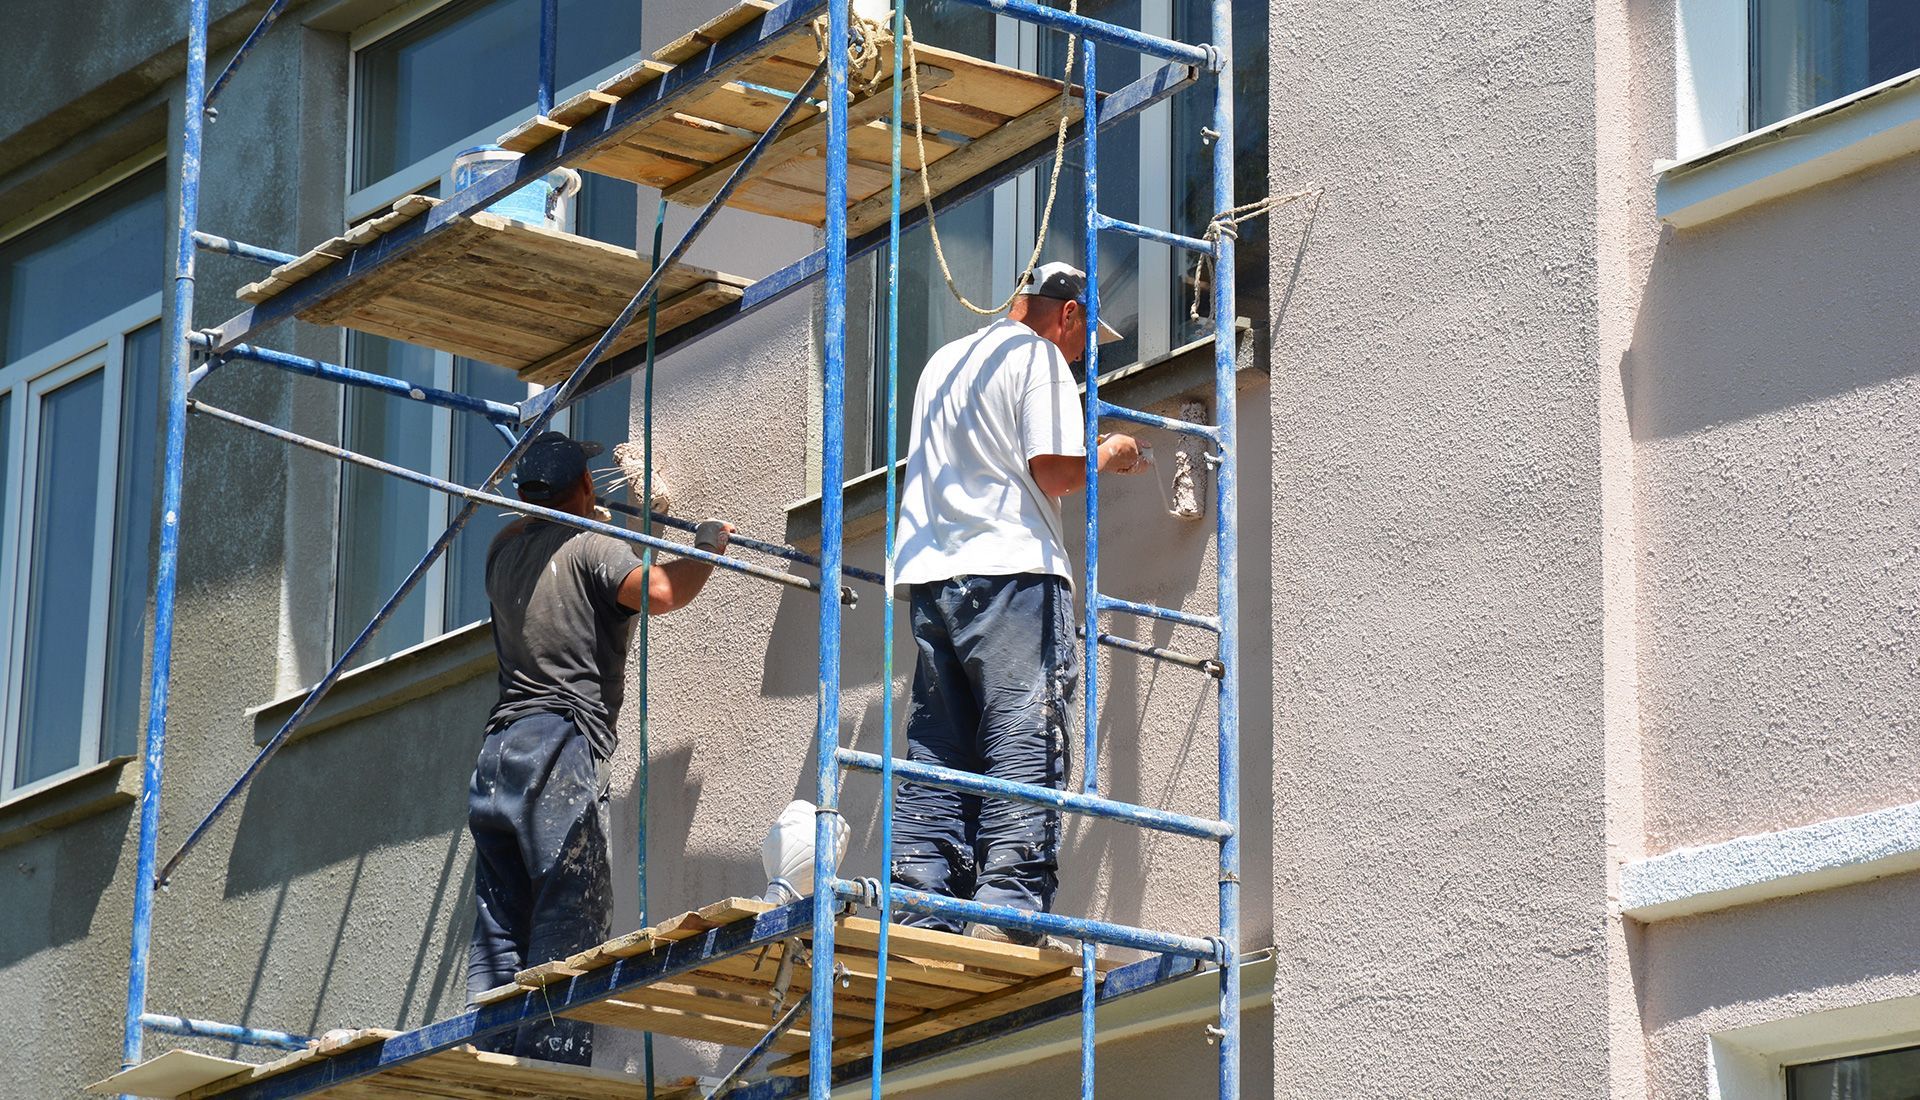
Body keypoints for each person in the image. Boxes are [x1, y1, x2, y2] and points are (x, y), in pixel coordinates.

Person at [888, 261, 1145, 947]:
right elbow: (1054, 470)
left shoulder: (944, 362)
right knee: (1023, 733)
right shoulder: (1036, 356)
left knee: (939, 747)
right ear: (1067, 314)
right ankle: (1007, 911)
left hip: (936, 576)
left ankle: (921, 909)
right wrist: (1112, 453)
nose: (1083, 354)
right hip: (1012, 568)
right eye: (1085, 337)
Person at [466, 431, 731, 1064]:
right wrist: (706, 549)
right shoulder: (590, 547)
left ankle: (495, 1058)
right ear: (584, 489)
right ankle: (551, 1063)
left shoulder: (503, 556)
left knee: (502, 921)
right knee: (569, 907)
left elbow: (531, 536)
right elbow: (664, 592)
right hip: (559, 749)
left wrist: (583, 519)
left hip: (498, 756)